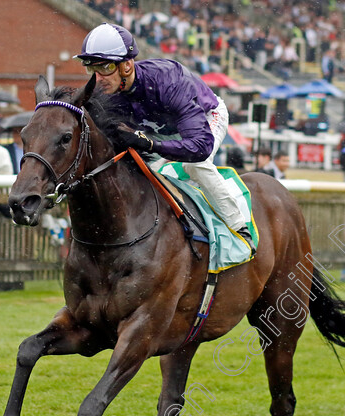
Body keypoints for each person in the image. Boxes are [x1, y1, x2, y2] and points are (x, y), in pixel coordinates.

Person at [73, 23, 255, 252]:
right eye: (92, 69)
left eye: (106, 67)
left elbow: (201, 146)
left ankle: (239, 228)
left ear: (127, 65)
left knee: (195, 165)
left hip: (206, 119)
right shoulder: (106, 93)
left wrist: (151, 144)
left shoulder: (168, 81)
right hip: (164, 131)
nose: (98, 79)